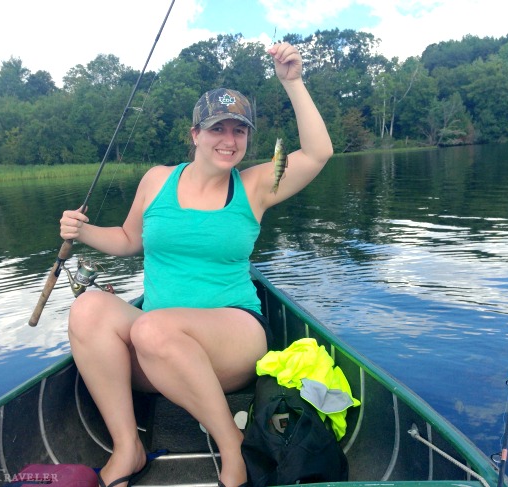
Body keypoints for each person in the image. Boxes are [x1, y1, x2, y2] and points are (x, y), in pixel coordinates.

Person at [59, 42, 333, 487]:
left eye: (239, 131)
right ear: (194, 134)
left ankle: (233, 449)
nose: (229, 140)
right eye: (217, 129)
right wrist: (83, 232)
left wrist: (293, 82)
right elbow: (130, 239)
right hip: (160, 352)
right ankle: (128, 448)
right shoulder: (156, 180)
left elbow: (318, 154)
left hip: (232, 337)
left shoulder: (257, 185)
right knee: (87, 308)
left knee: (152, 327)